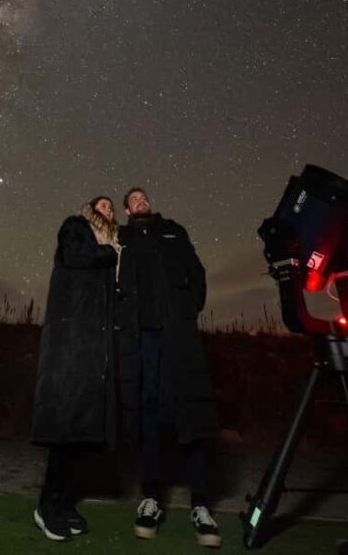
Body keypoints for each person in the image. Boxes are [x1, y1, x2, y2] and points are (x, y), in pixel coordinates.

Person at [116, 188, 221, 548]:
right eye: (134, 199)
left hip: (178, 336)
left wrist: (187, 309)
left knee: (189, 409)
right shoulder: (122, 239)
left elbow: (197, 271)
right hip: (142, 339)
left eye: (144, 196)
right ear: (126, 211)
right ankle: (151, 498)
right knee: (148, 414)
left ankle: (201, 504)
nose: (141, 200)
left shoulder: (174, 230)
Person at [31, 196, 120, 541]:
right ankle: (46, 506)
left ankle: (65, 503)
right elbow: (74, 256)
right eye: (103, 205)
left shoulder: (108, 248)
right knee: (64, 429)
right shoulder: (76, 228)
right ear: (90, 210)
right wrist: (111, 253)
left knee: (79, 432)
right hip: (69, 343)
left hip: (91, 348)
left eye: (112, 208)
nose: (108, 210)